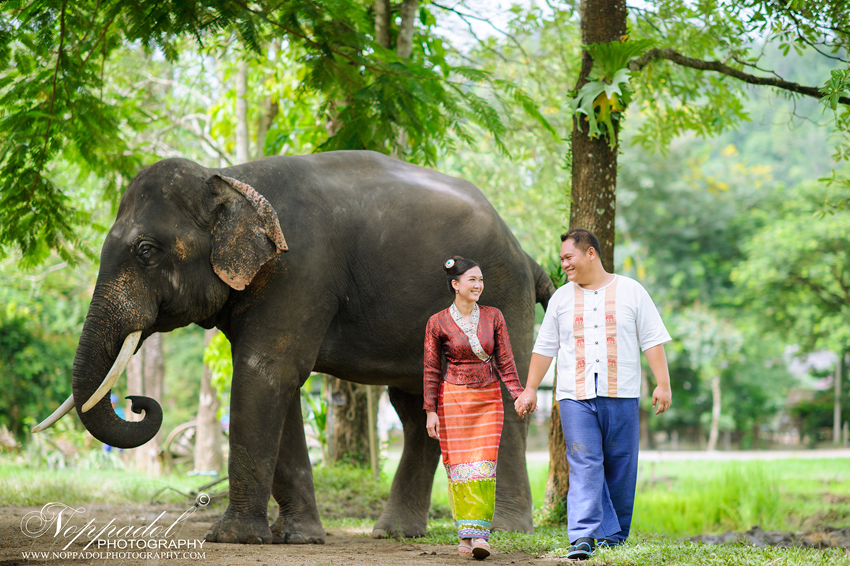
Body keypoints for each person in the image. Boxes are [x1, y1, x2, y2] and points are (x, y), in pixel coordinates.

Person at [514, 229, 672, 560]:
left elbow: (652, 339)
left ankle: (614, 535)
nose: (564, 264)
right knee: (585, 461)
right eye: (561, 259)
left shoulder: (632, 291)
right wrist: (530, 388)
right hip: (576, 394)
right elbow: (545, 348)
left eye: (568, 257)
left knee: (621, 463)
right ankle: (583, 535)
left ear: (590, 254)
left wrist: (663, 383)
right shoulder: (560, 298)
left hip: (623, 390)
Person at [423, 255, 526, 560]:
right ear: (455, 285)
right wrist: (430, 410)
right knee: (459, 468)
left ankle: (480, 535)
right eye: (472, 280)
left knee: (483, 466)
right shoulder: (437, 322)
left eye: (481, 279)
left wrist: (517, 393)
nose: (479, 285)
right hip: (452, 400)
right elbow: (431, 369)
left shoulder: (494, 316)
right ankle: (465, 535)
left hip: (488, 399)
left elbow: (505, 361)